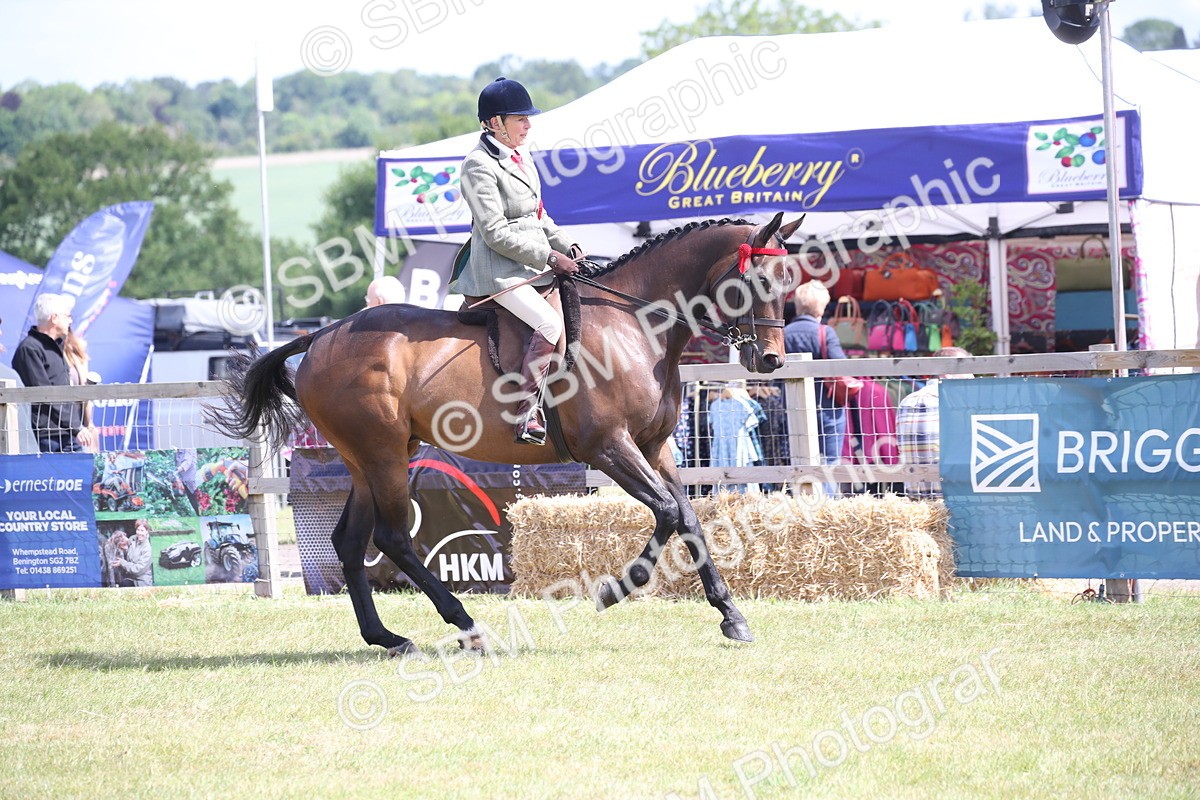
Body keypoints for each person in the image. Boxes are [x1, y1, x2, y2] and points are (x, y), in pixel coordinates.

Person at [452, 76, 584, 446]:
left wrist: (568, 245)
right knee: (549, 325)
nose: (528, 125)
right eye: (520, 118)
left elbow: (539, 216)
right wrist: (548, 255)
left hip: (532, 266)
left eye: (528, 119)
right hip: (499, 274)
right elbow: (494, 231)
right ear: (495, 123)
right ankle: (525, 413)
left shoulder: (522, 159)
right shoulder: (477, 166)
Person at [11, 293, 90, 453]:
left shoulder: (56, 346)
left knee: (82, 477)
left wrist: (76, 426)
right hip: (46, 435)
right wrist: (75, 426)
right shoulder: (30, 348)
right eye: (67, 316)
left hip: (67, 432)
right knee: (53, 478)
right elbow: (45, 394)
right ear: (54, 318)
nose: (70, 321)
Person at [783, 281, 848, 468]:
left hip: (791, 405)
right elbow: (841, 367)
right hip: (826, 406)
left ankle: (801, 495)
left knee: (798, 461)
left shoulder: (783, 334)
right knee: (829, 462)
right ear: (821, 307)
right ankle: (826, 496)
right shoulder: (825, 333)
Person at [896, 346, 973, 499]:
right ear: (948, 373)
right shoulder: (954, 403)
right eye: (967, 370)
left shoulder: (906, 401)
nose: (972, 377)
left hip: (915, 498)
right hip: (952, 499)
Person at [62, 328, 99, 453]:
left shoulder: (77, 349)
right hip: (57, 425)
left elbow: (85, 391)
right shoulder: (44, 350)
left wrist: (89, 425)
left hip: (79, 423)